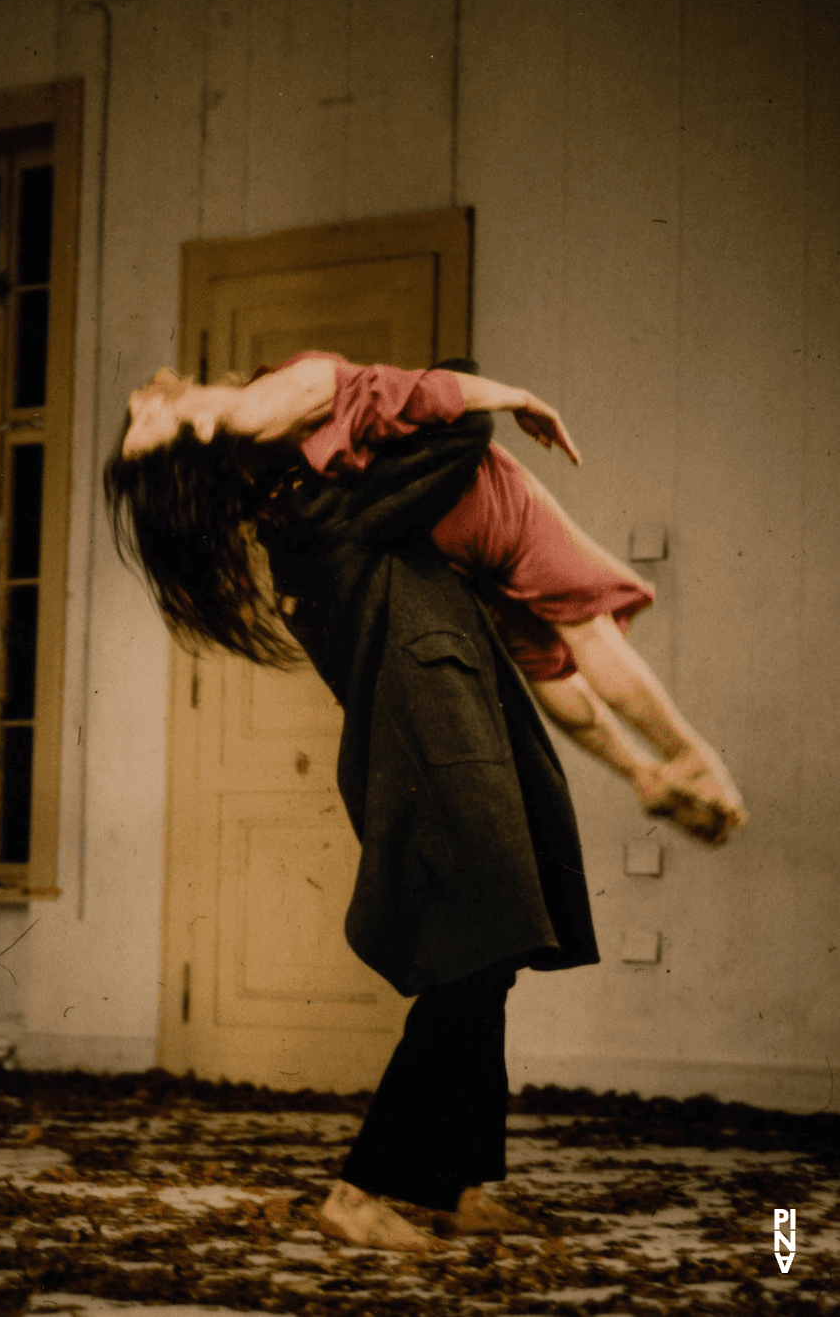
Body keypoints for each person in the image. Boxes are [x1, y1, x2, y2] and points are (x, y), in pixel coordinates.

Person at [105, 352, 747, 1251]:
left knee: (491, 956)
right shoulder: (347, 506)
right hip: (434, 754)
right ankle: (361, 1192)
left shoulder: (354, 509)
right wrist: (512, 395)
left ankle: (463, 1185)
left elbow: (546, 665)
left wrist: (644, 773)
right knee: (475, 958)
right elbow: (417, 399)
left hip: (457, 741)